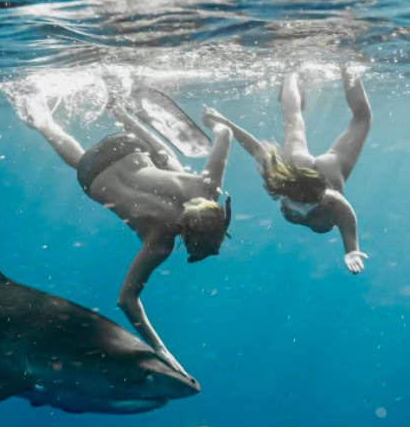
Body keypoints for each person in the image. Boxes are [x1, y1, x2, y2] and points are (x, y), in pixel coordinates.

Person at [21, 93, 232, 368]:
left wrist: (214, 120)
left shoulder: (208, 187)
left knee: (167, 161)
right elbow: (126, 300)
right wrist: (161, 349)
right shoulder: (159, 242)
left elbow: (225, 134)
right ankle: (43, 122)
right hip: (91, 173)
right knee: (78, 158)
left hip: (126, 147)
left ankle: (120, 110)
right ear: (189, 241)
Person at [203, 68, 371, 273]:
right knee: (296, 116)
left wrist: (225, 122)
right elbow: (345, 212)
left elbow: (257, 148)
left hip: (306, 168)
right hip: (319, 170)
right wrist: (351, 250)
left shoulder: (295, 184)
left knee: (302, 117)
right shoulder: (325, 198)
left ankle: (330, 68)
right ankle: (293, 71)